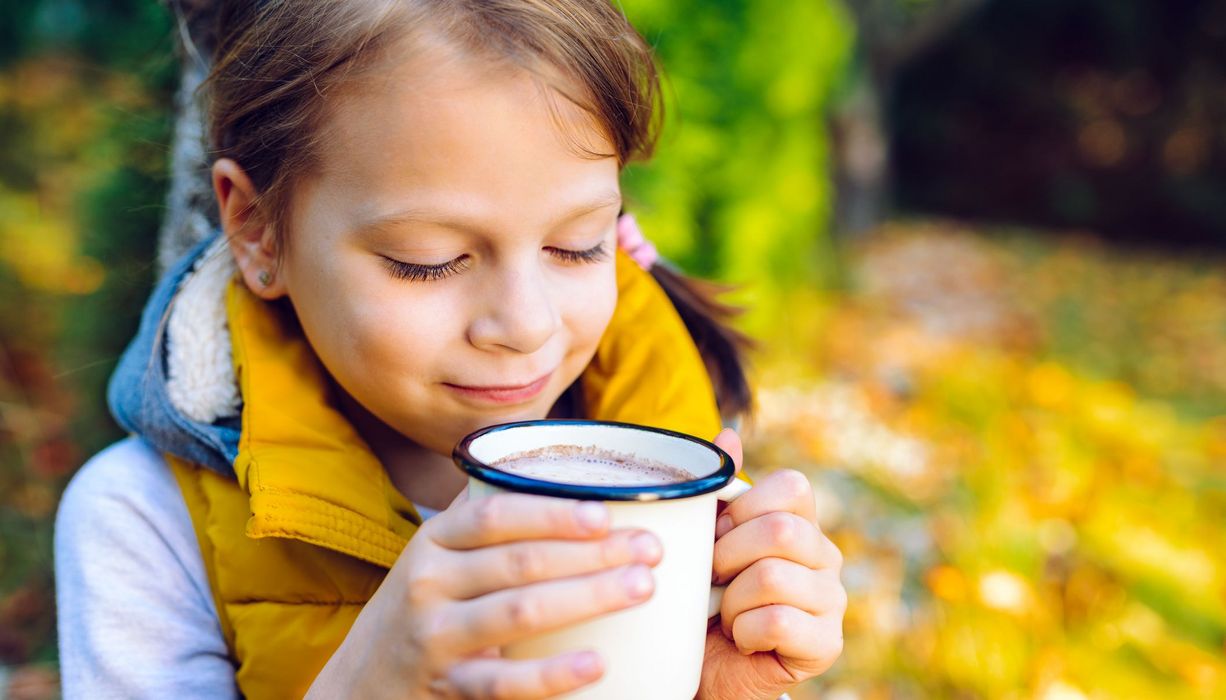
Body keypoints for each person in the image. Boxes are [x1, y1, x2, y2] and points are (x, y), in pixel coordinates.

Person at [54, 1, 846, 698]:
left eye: (576, 245)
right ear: (259, 231)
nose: (524, 325)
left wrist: (714, 690)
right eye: (428, 260)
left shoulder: (678, 461)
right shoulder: (143, 524)